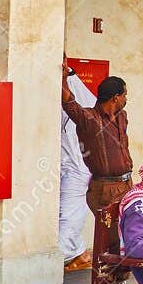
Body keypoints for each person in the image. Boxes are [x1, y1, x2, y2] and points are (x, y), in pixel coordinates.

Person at [62, 67, 133, 218]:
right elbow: (69, 103)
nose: (126, 99)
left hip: (127, 185)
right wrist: (64, 77)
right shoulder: (89, 119)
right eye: (124, 95)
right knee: (109, 235)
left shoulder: (122, 117)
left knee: (128, 234)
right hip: (105, 189)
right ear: (115, 98)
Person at [59, 69, 97, 272]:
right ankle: (79, 253)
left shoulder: (83, 102)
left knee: (67, 215)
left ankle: (56, 260)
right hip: (64, 166)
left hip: (76, 168)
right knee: (65, 213)